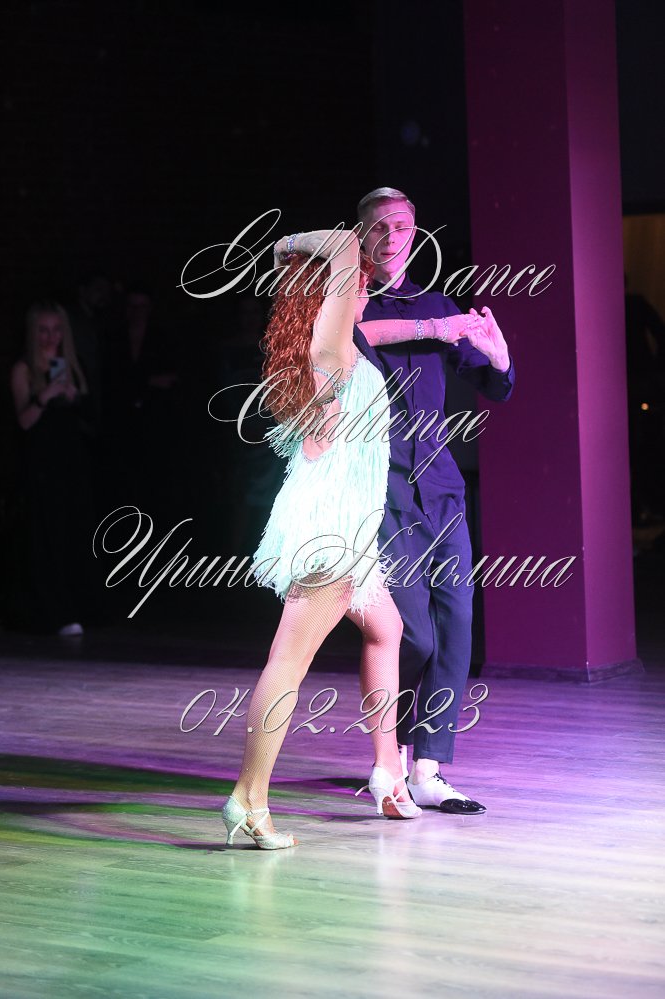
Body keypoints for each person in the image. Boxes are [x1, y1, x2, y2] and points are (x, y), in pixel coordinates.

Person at [221, 228, 486, 849]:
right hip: (331, 532)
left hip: (353, 530)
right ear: (331, 292)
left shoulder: (339, 346)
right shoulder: (331, 348)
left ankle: (387, 769)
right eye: (357, 282)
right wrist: (292, 243)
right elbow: (343, 245)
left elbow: (370, 314)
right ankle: (248, 798)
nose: (365, 288)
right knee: (288, 660)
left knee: (386, 628)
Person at [353, 187, 515, 814]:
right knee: (412, 635)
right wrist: (434, 329)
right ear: (362, 236)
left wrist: (500, 358)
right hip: (384, 487)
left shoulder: (438, 304)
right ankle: (389, 754)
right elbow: (359, 336)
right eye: (381, 226)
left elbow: (492, 383)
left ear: (416, 234)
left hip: (441, 486)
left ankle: (427, 767)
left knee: (457, 625)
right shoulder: (348, 302)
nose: (393, 236)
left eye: (403, 225)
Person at [9, 301, 96, 636]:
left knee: (73, 531)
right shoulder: (24, 369)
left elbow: (89, 419)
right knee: (47, 534)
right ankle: (52, 610)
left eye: (56, 330)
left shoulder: (72, 366)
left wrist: (73, 397)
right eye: (44, 331)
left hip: (72, 460)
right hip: (42, 463)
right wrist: (45, 396)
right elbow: (24, 421)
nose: (50, 337)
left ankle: (77, 605)